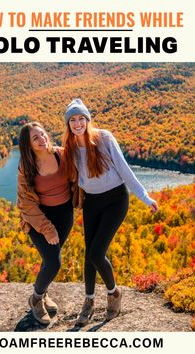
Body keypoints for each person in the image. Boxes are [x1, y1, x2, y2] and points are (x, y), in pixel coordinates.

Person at [63, 99, 159, 326]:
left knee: (96, 254)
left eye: (81, 118)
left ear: (88, 119)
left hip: (116, 200)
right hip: (91, 202)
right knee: (89, 254)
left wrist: (145, 197)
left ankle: (114, 293)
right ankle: (88, 301)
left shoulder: (104, 138)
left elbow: (125, 170)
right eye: (72, 120)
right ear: (68, 124)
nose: (77, 123)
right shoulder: (71, 147)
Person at [17, 122, 73, 325]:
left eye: (42, 134)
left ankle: (44, 292)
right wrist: (47, 229)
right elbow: (26, 203)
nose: (42, 139)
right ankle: (36, 299)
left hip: (65, 215)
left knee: (49, 258)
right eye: (35, 138)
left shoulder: (62, 154)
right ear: (28, 145)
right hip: (38, 218)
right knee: (53, 261)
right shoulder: (27, 165)